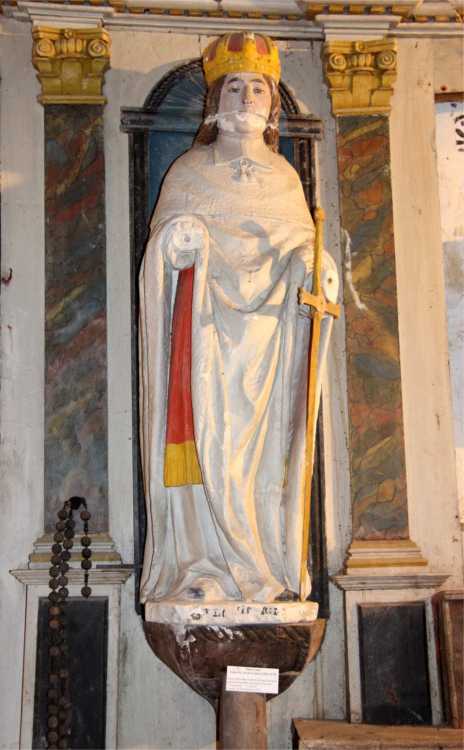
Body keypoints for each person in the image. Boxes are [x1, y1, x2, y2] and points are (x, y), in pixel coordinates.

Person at [139, 32, 338, 605]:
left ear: (274, 104)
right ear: (215, 102)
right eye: (235, 86)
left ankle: (266, 568)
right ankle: (202, 565)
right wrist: (178, 242)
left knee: (265, 457)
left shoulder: (284, 179)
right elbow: (159, 259)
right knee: (208, 447)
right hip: (205, 350)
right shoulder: (187, 172)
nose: (247, 97)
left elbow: (305, 250)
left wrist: (314, 265)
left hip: (268, 355)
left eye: (258, 88)